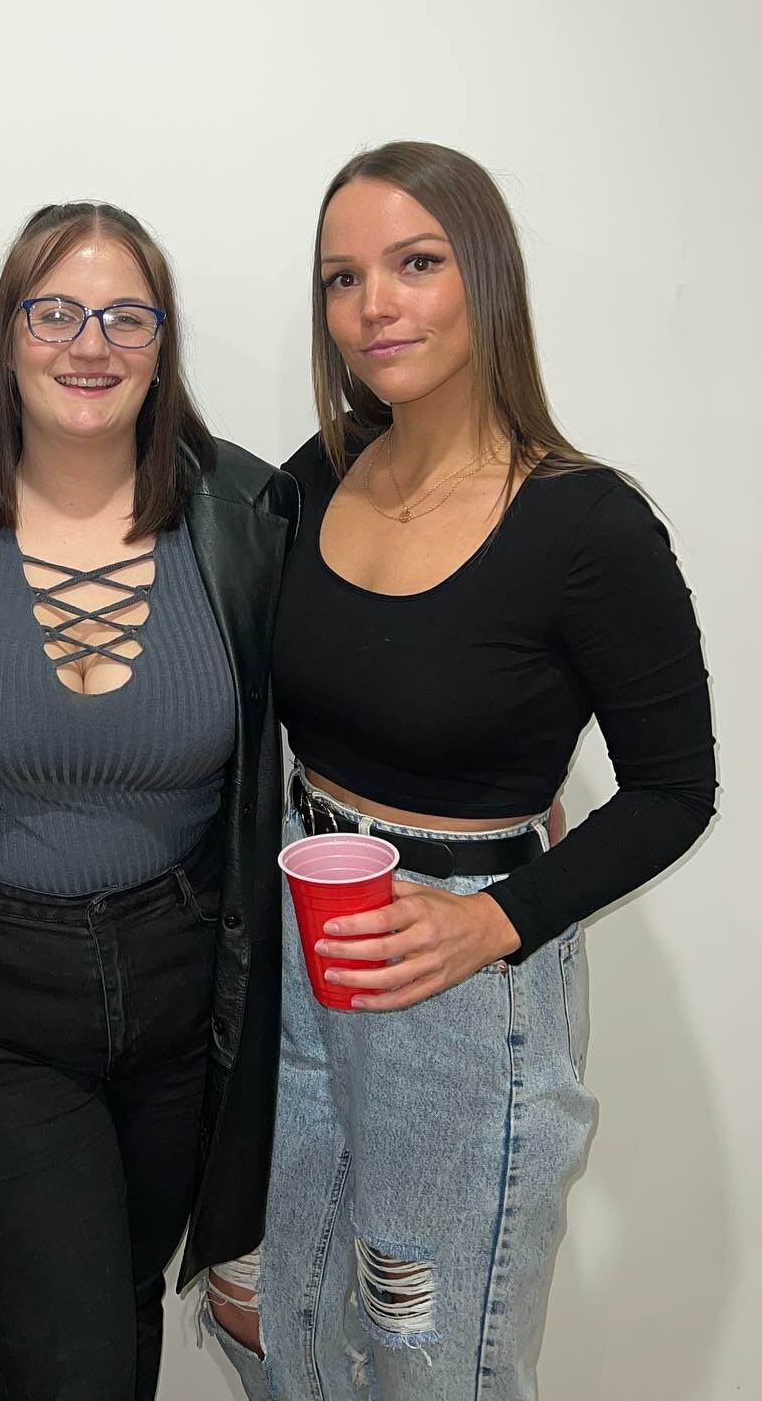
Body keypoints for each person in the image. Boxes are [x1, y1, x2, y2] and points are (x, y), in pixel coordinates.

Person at [208, 141, 716, 1400]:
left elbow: (674, 789)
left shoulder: (588, 524)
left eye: (415, 263)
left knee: (430, 1350)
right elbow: (176, 539)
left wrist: (492, 920)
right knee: (269, 1302)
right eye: (342, 277)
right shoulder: (321, 471)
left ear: (486, 277)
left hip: (462, 983)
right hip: (300, 941)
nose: (373, 304)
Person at [0, 202, 298, 1401]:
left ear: (162, 343)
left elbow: (354, 677)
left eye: (125, 316)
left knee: (122, 1311)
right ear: (8, 335)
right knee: (76, 1368)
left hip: (185, 989)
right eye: (54, 312)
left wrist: (493, 802)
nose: (89, 344)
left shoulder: (247, 514)